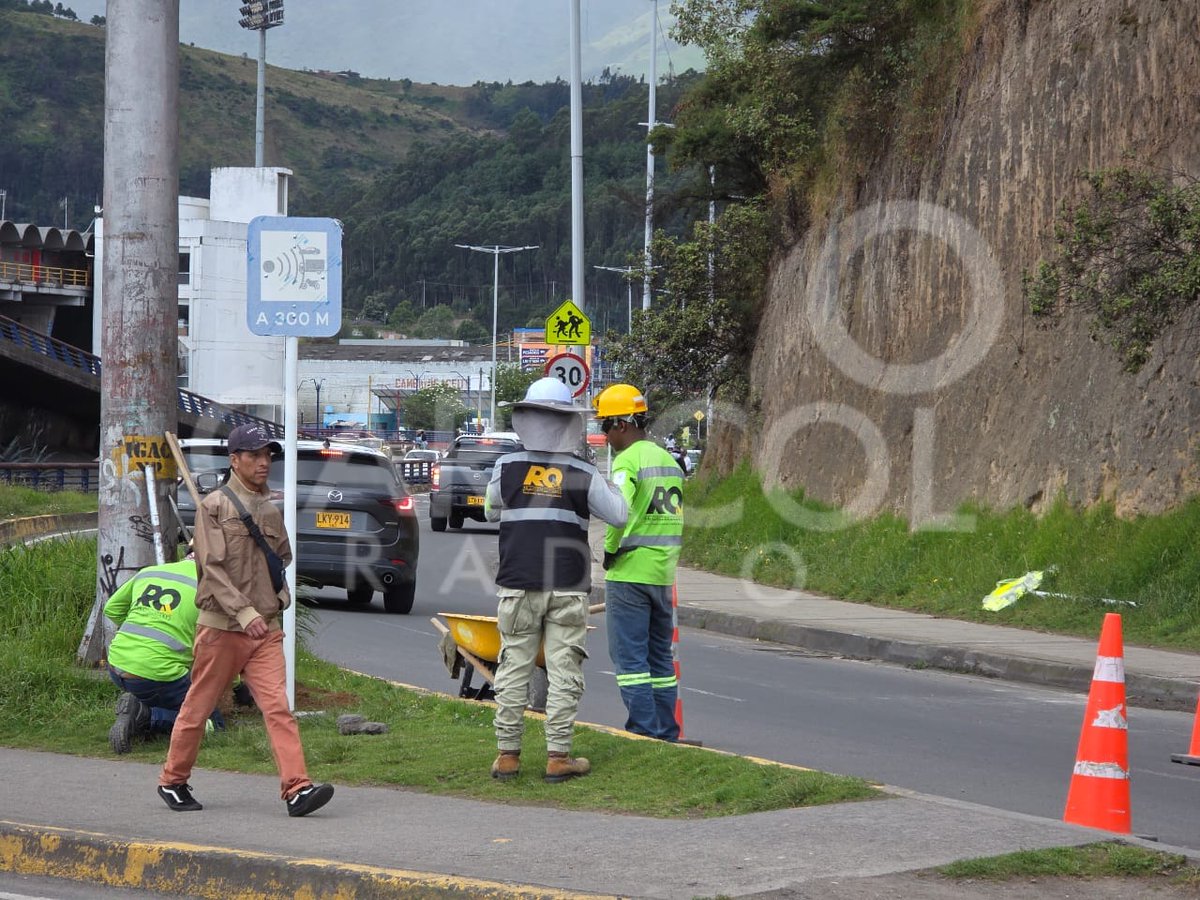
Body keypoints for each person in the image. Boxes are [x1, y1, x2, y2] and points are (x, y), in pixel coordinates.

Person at [157, 423, 334, 817]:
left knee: (278, 708)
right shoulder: (214, 507)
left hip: (265, 630)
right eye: (254, 455)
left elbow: (281, 558)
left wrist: (279, 595)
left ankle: (297, 788)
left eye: (268, 455)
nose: (263, 462)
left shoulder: (269, 509)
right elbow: (213, 570)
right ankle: (173, 780)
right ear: (234, 460)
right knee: (198, 706)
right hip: (223, 628)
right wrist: (243, 610)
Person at [484, 377, 627, 783]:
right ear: (569, 423)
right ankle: (558, 756)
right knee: (565, 671)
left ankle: (508, 756)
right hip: (567, 584)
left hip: (517, 581)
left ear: (526, 418)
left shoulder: (505, 467)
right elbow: (618, 515)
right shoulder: (582, 470)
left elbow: (490, 512)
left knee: (513, 667)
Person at [593, 383, 685, 741]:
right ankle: (667, 731)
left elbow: (618, 512)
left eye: (605, 426)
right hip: (663, 573)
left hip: (629, 571)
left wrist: (610, 552)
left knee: (630, 660)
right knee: (660, 660)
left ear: (622, 424)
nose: (604, 435)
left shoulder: (628, 461)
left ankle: (643, 732)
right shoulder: (669, 461)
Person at [104, 551, 224, 754]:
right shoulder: (211, 589)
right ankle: (146, 715)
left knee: (168, 692)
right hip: (159, 675)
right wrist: (238, 686)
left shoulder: (150, 572)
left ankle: (138, 705)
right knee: (214, 725)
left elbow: (112, 608)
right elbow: (220, 650)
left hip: (116, 664)